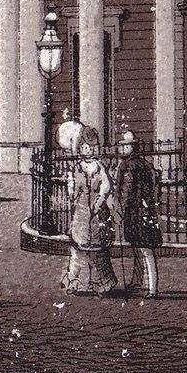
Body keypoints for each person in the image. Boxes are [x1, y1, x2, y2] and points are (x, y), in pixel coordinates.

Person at [62, 127, 117, 296]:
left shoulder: (99, 167)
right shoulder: (77, 168)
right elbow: (72, 188)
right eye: (86, 147)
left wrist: (100, 201)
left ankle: (102, 284)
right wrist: (71, 191)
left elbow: (106, 186)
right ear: (80, 148)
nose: (89, 150)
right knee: (78, 249)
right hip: (81, 211)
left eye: (92, 147)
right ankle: (74, 282)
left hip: (97, 212)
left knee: (98, 251)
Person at [113, 132, 161, 298]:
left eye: (126, 146)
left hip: (136, 213)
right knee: (140, 250)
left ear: (131, 147)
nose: (123, 148)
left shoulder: (129, 166)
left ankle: (151, 288)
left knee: (145, 250)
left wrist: (120, 210)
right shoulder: (143, 164)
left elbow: (127, 190)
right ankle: (139, 282)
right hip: (144, 211)